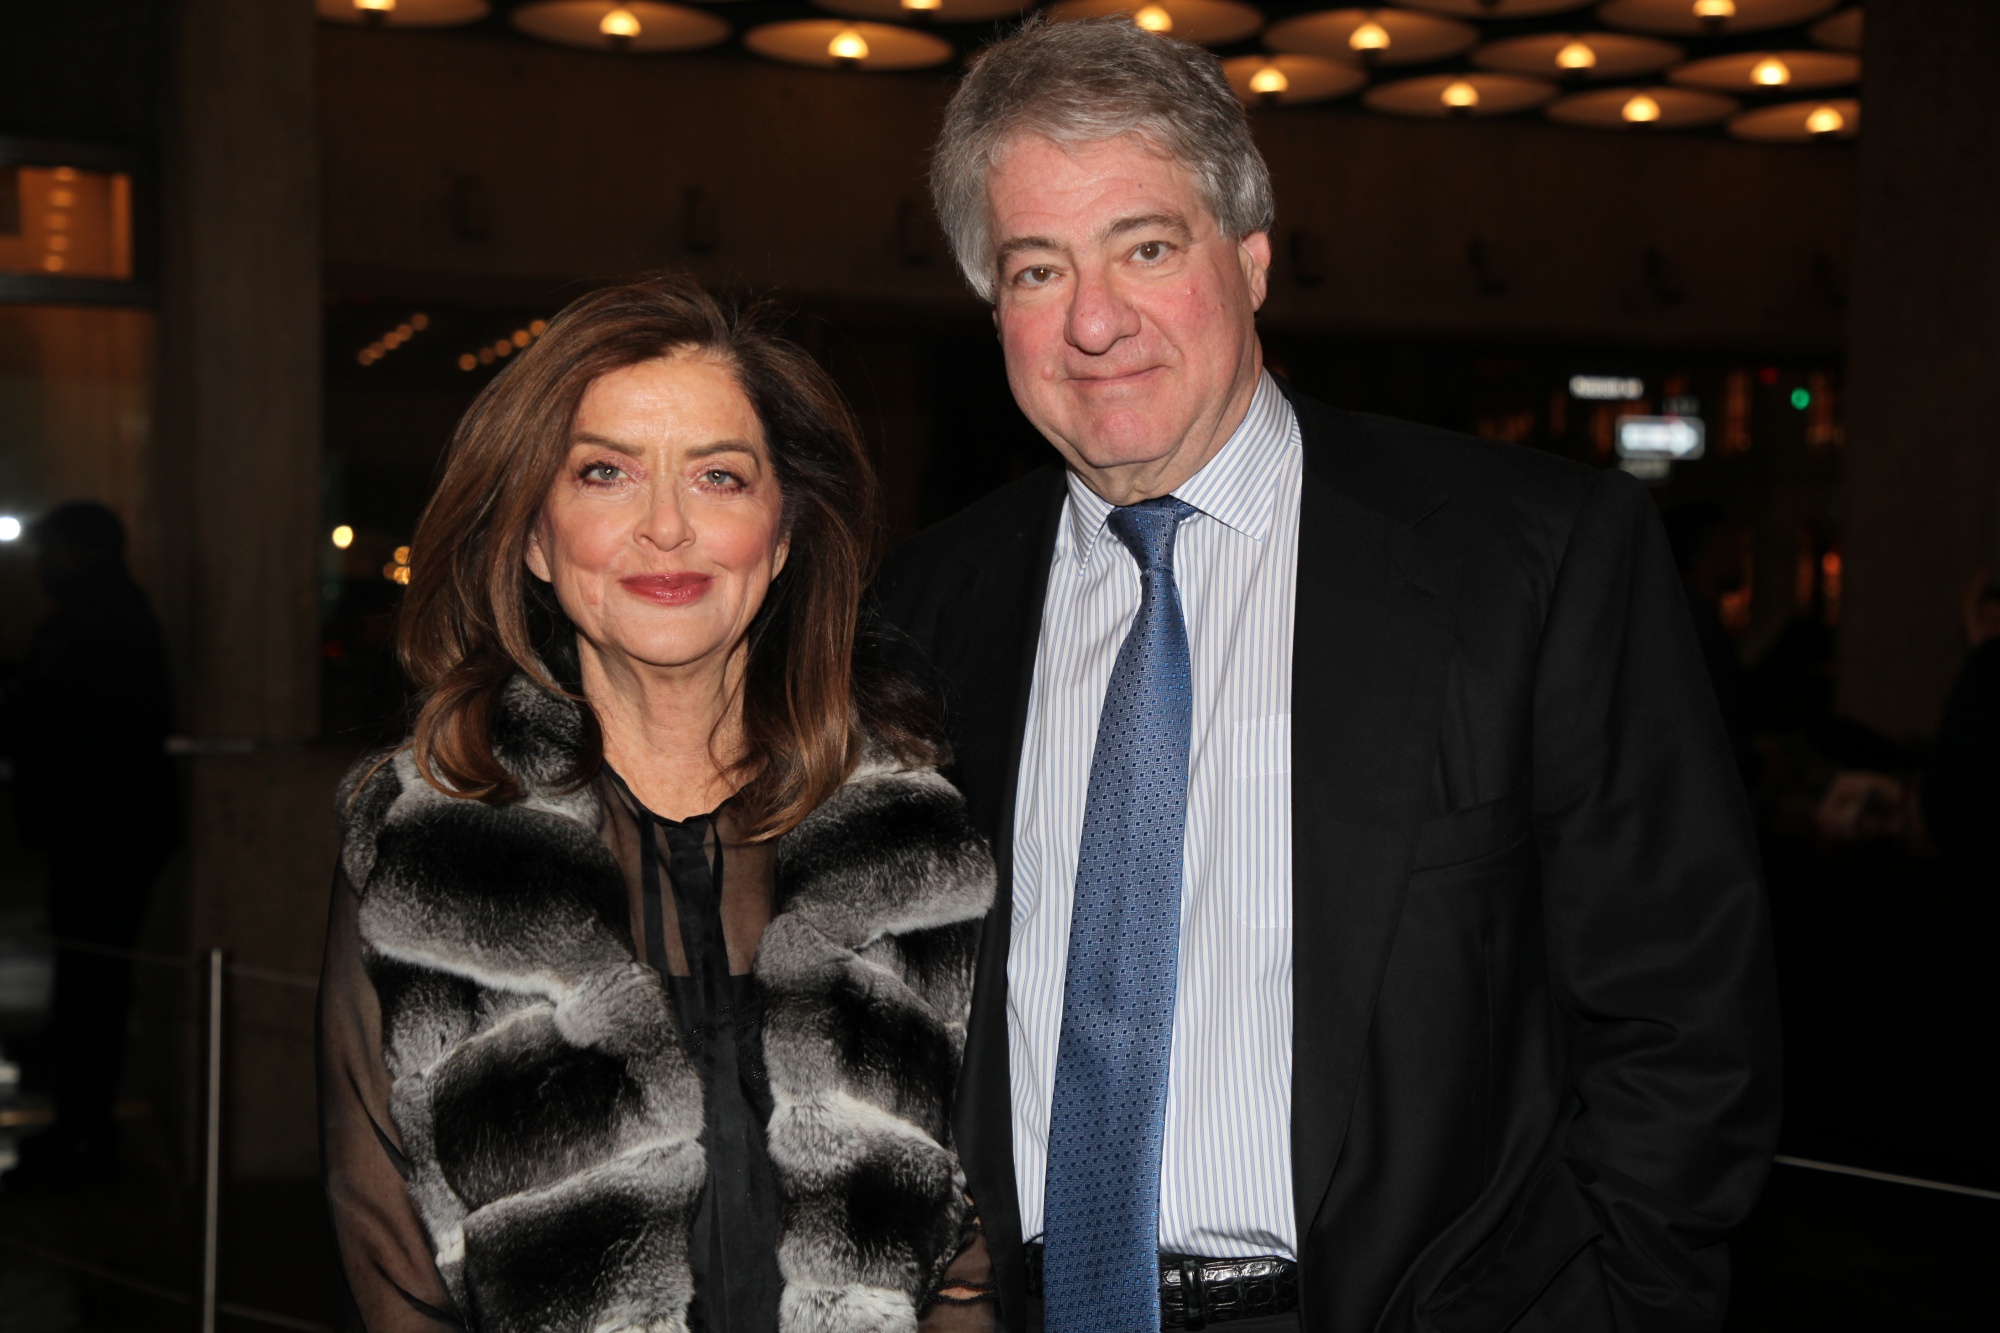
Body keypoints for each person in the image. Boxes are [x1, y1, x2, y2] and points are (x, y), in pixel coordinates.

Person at [873, 19, 1780, 1333]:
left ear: (1250, 259)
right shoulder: (922, 607)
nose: (1094, 321)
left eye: (1145, 247)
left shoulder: (1526, 561)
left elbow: (1683, 1016)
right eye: (1036, 269)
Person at [319, 277, 999, 1332]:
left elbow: (968, 1262)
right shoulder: (432, 847)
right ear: (535, 537)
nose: (667, 527)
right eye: (606, 473)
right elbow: (388, 1258)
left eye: (719, 477)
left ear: (780, 536)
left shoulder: (914, 845)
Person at [0, 501, 179, 1185]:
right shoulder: (108, 613)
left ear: (76, 552)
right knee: (90, 986)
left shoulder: (93, 619)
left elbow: (54, 718)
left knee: (92, 988)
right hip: (109, 828)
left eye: (51, 551)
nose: (42, 565)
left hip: (103, 831)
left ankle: (83, 1136)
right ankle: (81, 1128)